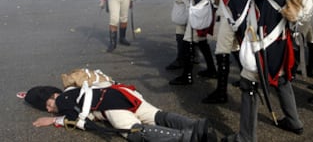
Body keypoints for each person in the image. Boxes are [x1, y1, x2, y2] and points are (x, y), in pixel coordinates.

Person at [220, 0, 303, 141]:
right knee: (282, 79)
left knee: (248, 84)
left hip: (265, 42)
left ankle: (246, 137)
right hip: (278, 40)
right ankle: (294, 121)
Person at [25, 84, 215, 142]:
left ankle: (186, 139)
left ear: (53, 95)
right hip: (122, 93)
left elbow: (74, 118)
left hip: (109, 104)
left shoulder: (63, 99)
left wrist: (53, 120)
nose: (50, 109)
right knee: (156, 115)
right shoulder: (72, 91)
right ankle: (197, 128)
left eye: (47, 105)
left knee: (132, 131)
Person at [158, 0, 217, 85]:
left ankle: (187, 75)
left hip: (200, 11)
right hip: (200, 10)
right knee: (201, 42)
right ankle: (211, 69)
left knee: (188, 41)